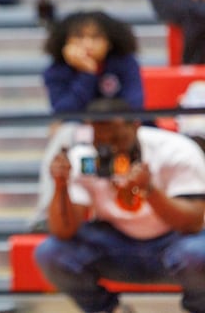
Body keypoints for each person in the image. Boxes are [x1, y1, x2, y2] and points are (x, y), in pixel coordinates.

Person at [34, 98, 205, 313]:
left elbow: (194, 223)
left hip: (174, 243)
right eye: (101, 142)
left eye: (117, 138)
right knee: (50, 253)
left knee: (199, 253)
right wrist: (60, 186)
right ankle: (108, 310)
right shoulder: (85, 160)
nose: (110, 148)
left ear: (134, 125)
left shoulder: (175, 150)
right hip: (116, 246)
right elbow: (63, 231)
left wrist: (149, 191)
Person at [31, 10, 144, 231]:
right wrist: (88, 73)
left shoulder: (125, 64)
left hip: (124, 134)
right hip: (84, 137)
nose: (87, 44)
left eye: (95, 37)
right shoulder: (56, 71)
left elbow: (134, 105)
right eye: (79, 38)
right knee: (64, 134)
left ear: (110, 42)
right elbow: (64, 112)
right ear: (65, 42)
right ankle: (46, 214)